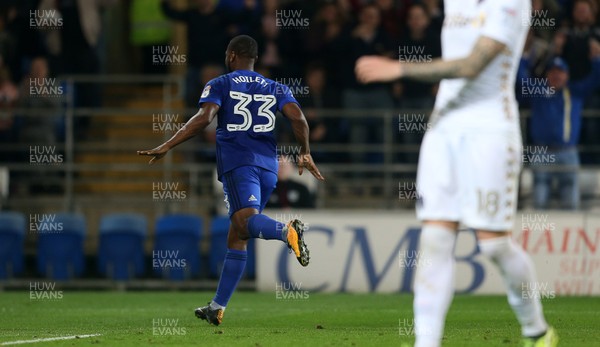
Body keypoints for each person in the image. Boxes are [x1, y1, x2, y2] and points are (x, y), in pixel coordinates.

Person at [355, 1, 558, 346]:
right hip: (443, 128)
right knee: (434, 239)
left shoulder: (510, 3)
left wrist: (398, 69)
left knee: (493, 245)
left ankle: (536, 331)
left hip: (490, 130)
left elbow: (471, 65)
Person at [138, 35, 324, 326]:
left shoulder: (221, 83)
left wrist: (167, 144)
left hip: (240, 163)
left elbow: (204, 118)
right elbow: (299, 119)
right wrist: (305, 152)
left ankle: (286, 231)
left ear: (232, 55)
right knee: (238, 234)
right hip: (268, 168)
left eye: (228, 53)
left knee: (242, 222)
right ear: (255, 58)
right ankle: (217, 306)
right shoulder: (276, 87)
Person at [520, 55, 600, 210]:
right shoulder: (539, 91)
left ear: (567, 75)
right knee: (539, 199)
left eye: (561, 72)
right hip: (541, 151)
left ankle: (571, 230)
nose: (557, 76)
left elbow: (596, 80)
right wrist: (524, 57)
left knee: (570, 200)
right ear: (547, 75)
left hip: (568, 151)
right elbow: (520, 80)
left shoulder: (575, 91)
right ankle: (539, 231)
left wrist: (596, 59)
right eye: (553, 72)